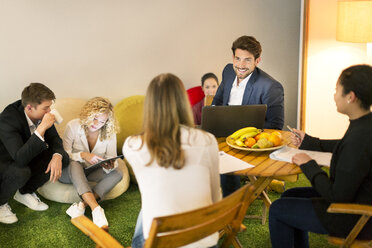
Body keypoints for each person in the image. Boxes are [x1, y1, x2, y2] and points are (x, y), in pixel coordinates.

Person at [269, 64, 372, 248]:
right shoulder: (365, 124)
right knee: (290, 195)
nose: (334, 95)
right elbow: (342, 145)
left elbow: (336, 195)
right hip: (355, 197)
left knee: (277, 209)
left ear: (351, 97)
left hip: (351, 216)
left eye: (337, 90)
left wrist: (309, 165)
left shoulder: (359, 139)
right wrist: (309, 141)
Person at [123, 73, 221, 248]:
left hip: (159, 242)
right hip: (205, 241)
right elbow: (215, 195)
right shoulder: (208, 140)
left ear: (150, 106)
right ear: (183, 102)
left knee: (148, 204)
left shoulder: (132, 146)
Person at [213, 35, 285, 197]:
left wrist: (247, 139)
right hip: (222, 131)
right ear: (233, 57)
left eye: (247, 60)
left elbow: (275, 125)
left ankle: (232, 207)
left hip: (248, 140)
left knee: (225, 164)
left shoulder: (270, 87)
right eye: (237, 59)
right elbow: (218, 99)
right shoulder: (228, 71)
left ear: (257, 61)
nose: (240, 65)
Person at [0, 83, 69, 224]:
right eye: (46, 108)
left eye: (50, 107)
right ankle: (1, 203)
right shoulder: (8, 119)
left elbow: (55, 139)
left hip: (28, 153)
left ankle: (24, 192)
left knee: (63, 158)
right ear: (29, 108)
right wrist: (43, 127)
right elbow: (19, 159)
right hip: (6, 160)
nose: (49, 111)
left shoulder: (41, 114)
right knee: (21, 172)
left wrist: (57, 156)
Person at [59, 97, 123, 229]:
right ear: (88, 113)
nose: (96, 123)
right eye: (94, 118)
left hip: (90, 171)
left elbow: (112, 157)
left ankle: (82, 205)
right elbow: (64, 155)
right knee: (74, 163)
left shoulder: (110, 133)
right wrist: (82, 155)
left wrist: (109, 166)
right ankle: (96, 209)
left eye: (101, 121)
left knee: (118, 173)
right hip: (68, 172)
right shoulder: (73, 126)